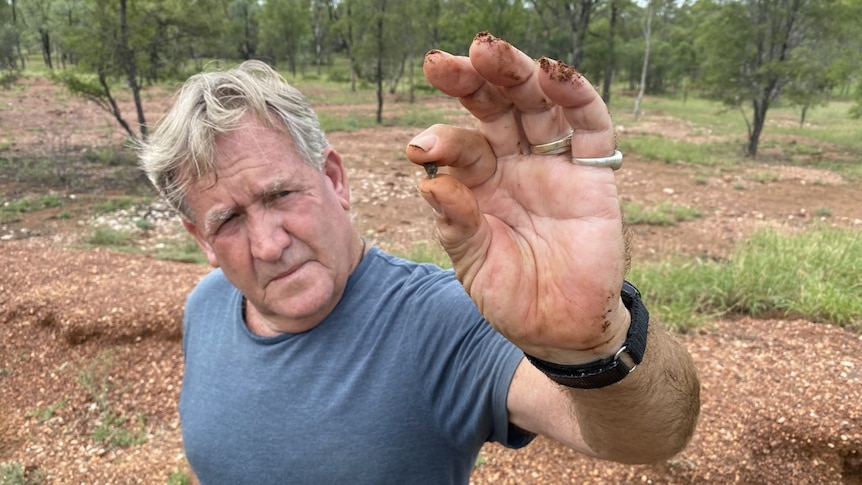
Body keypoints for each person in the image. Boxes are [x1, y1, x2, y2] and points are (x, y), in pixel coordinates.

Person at [138, 32, 700, 484]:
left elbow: (649, 437)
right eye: (228, 221)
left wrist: (596, 344)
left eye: (280, 194)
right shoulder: (206, 306)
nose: (268, 244)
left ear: (334, 180)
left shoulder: (437, 320)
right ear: (201, 239)